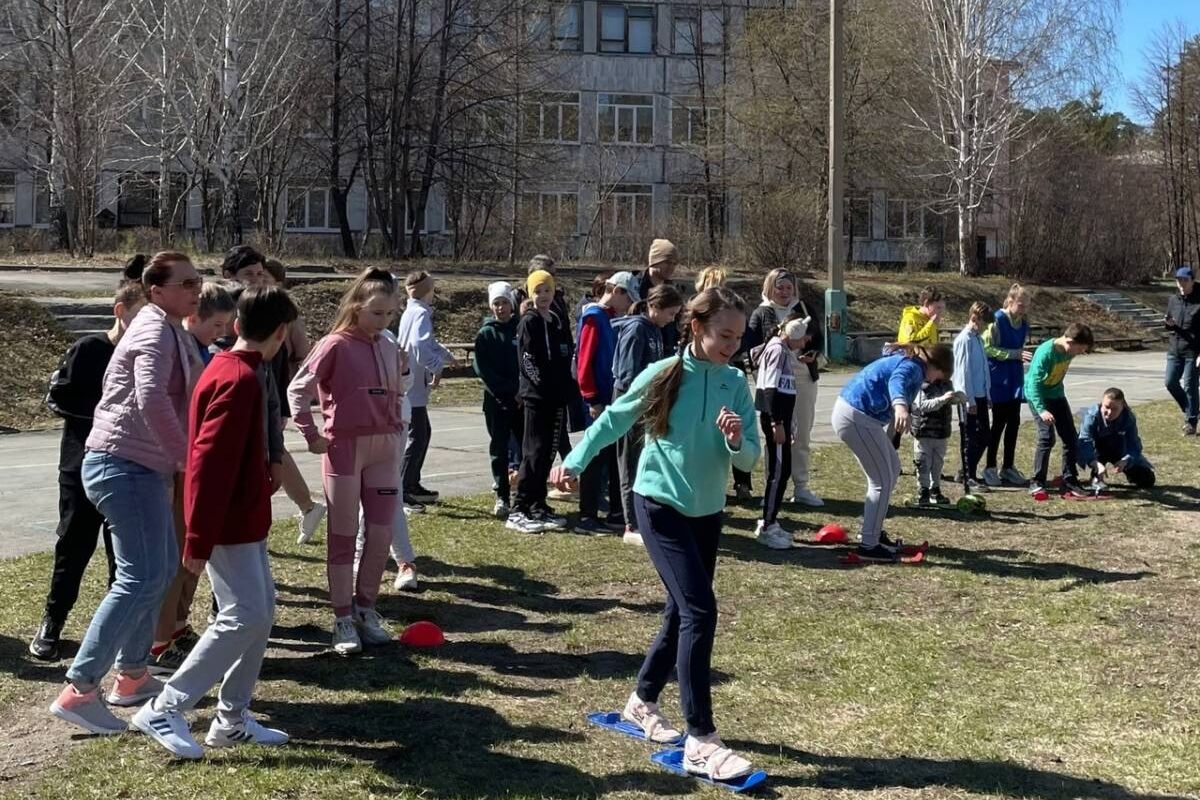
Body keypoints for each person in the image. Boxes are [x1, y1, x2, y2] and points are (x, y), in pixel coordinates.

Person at [549, 287, 761, 782]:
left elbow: (751, 458)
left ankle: (642, 701)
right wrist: (574, 461)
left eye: (738, 336)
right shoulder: (664, 374)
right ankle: (701, 739)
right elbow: (612, 420)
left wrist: (734, 441)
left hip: (706, 511)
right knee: (700, 611)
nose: (732, 345)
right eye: (723, 335)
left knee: (681, 610)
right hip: (659, 504)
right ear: (696, 328)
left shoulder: (735, 383)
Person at [131, 286, 297, 759]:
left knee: (259, 612)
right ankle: (166, 706)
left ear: (237, 324)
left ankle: (232, 718)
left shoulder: (233, 367)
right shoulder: (240, 379)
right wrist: (199, 539)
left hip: (243, 521)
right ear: (282, 333)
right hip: (228, 525)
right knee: (245, 613)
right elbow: (207, 463)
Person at [49, 252, 204, 734]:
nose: (196, 289)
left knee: (156, 572)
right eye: (186, 283)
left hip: (141, 466)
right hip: (124, 465)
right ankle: (79, 689)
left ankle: (133, 676)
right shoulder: (155, 330)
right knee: (140, 577)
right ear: (156, 291)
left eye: (198, 281)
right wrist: (185, 456)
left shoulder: (169, 327)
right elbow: (151, 396)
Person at [29, 264, 147, 661]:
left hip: (130, 472)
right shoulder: (90, 349)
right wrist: (107, 418)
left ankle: (122, 638)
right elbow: (57, 397)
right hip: (82, 467)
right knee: (74, 548)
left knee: (125, 558)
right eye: (138, 316)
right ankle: (52, 622)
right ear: (120, 312)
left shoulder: (149, 357)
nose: (145, 325)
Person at [288, 268, 406, 655]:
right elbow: (298, 389)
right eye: (376, 312)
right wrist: (311, 434)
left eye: (390, 314)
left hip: (384, 449)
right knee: (342, 534)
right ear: (356, 307)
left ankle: (366, 608)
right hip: (344, 450)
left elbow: (397, 387)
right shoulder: (334, 344)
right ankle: (341, 617)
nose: (383, 320)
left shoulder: (388, 343)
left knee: (381, 532)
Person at [148, 280, 237, 674]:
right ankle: (157, 642)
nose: (222, 335)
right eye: (216, 325)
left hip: (193, 466)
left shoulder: (205, 351)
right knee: (175, 556)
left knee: (191, 556)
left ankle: (179, 626)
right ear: (192, 317)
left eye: (226, 327)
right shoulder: (177, 351)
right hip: (174, 467)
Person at [224, 249, 325, 543]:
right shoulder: (227, 310)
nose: (256, 279)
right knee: (266, 451)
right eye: (249, 275)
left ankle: (303, 507)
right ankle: (305, 507)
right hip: (255, 392)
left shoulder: (274, 312)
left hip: (273, 394)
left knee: (268, 450)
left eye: (259, 274)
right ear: (230, 277)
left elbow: (300, 352)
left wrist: (288, 396)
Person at [832, 343, 954, 562]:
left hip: (858, 416)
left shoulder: (912, 363)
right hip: (855, 416)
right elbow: (895, 382)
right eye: (940, 376)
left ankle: (873, 532)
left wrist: (890, 442)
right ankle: (868, 545)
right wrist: (900, 406)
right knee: (881, 480)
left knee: (892, 469)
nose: (936, 381)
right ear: (935, 365)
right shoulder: (913, 367)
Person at [744, 268, 826, 508]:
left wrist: (813, 355)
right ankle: (773, 485)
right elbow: (751, 347)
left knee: (801, 435)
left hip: (803, 376)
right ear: (770, 288)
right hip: (775, 381)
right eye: (780, 287)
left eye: (789, 287)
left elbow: (818, 340)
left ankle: (801, 486)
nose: (784, 292)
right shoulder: (761, 313)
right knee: (775, 434)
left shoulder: (805, 310)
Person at [611, 284, 684, 545]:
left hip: (650, 403)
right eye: (670, 313)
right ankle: (631, 524)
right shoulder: (636, 330)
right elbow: (630, 376)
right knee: (630, 462)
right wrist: (642, 403)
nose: (672, 319)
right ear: (654, 307)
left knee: (645, 460)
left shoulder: (656, 330)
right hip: (631, 403)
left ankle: (646, 517)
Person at [506, 269, 574, 534]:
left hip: (556, 396)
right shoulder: (529, 322)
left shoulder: (555, 319)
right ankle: (518, 509)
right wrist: (540, 386)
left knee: (548, 451)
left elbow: (565, 354)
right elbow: (527, 361)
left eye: (547, 290)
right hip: (537, 397)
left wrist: (565, 385)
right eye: (538, 291)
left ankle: (538, 504)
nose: (543, 295)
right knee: (533, 452)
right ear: (529, 293)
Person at [573, 271, 639, 536]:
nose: (630, 305)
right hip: (597, 399)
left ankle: (615, 512)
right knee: (596, 453)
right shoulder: (594, 318)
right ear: (618, 292)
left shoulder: (613, 318)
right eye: (628, 298)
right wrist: (590, 397)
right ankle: (587, 515)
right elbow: (585, 362)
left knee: (613, 454)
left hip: (612, 397)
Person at [397, 270, 457, 510]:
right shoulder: (420, 313)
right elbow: (420, 347)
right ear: (427, 290)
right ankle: (403, 489)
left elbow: (427, 342)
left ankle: (412, 483)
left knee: (422, 433)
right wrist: (437, 368)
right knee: (418, 435)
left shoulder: (411, 312)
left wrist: (445, 355)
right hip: (413, 387)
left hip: (410, 384)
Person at [753, 317, 811, 549]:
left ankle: (771, 520)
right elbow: (769, 388)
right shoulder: (777, 351)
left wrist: (791, 423)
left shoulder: (786, 352)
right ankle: (766, 525)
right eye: (805, 336)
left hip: (783, 420)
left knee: (783, 469)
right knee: (778, 471)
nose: (807, 340)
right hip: (776, 420)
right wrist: (777, 423)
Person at [1025, 323, 1094, 496]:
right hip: (1038, 397)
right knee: (1047, 438)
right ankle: (1036, 481)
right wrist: (1041, 410)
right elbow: (1033, 384)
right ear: (1069, 342)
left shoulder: (1068, 350)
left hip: (1057, 396)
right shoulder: (1045, 353)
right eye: (1080, 349)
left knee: (1071, 438)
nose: (1080, 353)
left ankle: (1069, 480)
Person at [474, 281, 523, 519]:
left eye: (504, 303)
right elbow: (484, 371)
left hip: (522, 401)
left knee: (526, 448)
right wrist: (507, 391)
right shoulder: (486, 334)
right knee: (500, 449)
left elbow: (528, 362)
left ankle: (524, 495)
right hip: (498, 402)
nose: (501, 308)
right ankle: (502, 495)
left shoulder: (520, 327)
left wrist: (523, 390)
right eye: (496, 304)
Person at [982, 284, 1033, 487]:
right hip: (998, 379)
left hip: (1014, 377)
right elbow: (987, 348)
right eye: (1020, 305)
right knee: (998, 425)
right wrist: (1012, 354)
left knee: (1014, 423)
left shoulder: (1023, 323)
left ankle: (1008, 467)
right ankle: (990, 466)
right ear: (1010, 301)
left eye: (1026, 306)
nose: (1023, 309)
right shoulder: (997, 320)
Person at [891, 287, 945, 454]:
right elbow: (909, 343)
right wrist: (930, 325)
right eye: (938, 308)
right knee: (899, 418)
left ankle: (925, 458)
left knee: (923, 417)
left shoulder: (932, 321)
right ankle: (890, 453)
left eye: (942, 309)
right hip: (910, 372)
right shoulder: (910, 318)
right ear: (927, 304)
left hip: (926, 373)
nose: (940, 313)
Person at [1077, 388, 1156, 490]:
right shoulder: (1092, 416)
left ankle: (1131, 475)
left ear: (1122, 407)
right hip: (1097, 450)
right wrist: (1094, 463)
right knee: (1077, 447)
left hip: (1119, 451)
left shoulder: (1128, 418)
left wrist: (1126, 460)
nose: (1109, 412)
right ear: (1101, 404)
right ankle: (1096, 476)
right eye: (1106, 407)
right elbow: (1084, 441)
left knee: (1147, 480)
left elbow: (1134, 445)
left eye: (1114, 409)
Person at [953, 301, 992, 492]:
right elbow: (962, 372)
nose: (985, 327)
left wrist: (988, 393)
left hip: (981, 395)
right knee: (971, 438)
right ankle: (969, 475)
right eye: (984, 323)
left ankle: (966, 470)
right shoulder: (964, 340)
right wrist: (969, 400)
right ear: (974, 319)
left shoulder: (978, 339)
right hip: (970, 398)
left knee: (985, 436)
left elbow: (983, 369)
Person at [909, 375, 959, 506]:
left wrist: (957, 398)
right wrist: (942, 399)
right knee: (923, 463)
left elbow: (950, 400)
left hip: (941, 432)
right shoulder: (921, 385)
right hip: (924, 431)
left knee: (938, 463)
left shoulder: (946, 383)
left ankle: (935, 490)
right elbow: (922, 406)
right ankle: (923, 491)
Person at [1164, 266, 1200, 436]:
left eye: (1185, 280)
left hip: (1193, 352)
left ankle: (1191, 423)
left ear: (1192, 281)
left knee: (1189, 385)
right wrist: (1169, 324)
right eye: (1179, 280)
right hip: (1174, 349)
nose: (1181, 284)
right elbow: (1169, 323)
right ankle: (1191, 411)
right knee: (1170, 382)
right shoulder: (1173, 300)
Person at [638, 239, 681, 354]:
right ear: (654, 261)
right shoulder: (636, 287)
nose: (671, 267)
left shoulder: (672, 289)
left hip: (667, 353)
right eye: (667, 262)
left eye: (674, 264)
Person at [183, 282, 235, 365]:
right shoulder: (182, 353)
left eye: (225, 324)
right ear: (193, 319)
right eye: (218, 325)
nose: (222, 332)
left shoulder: (201, 345)